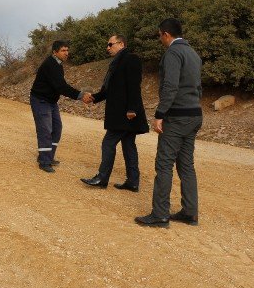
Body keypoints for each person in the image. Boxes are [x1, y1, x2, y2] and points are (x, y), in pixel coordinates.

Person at [135, 18, 203, 227]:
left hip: (177, 116)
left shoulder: (173, 53)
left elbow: (170, 86)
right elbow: (198, 88)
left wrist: (160, 113)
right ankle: (190, 212)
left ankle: (160, 214)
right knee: (186, 165)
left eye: (159, 35)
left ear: (165, 34)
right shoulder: (193, 53)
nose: (159, 39)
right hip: (194, 114)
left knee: (164, 164)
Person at [80, 34, 149, 191]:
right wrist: (94, 97)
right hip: (122, 113)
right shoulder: (116, 62)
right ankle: (132, 181)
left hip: (125, 113)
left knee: (108, 142)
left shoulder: (131, 58)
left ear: (121, 44)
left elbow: (134, 85)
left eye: (110, 44)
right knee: (128, 145)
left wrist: (132, 108)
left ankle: (102, 178)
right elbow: (108, 90)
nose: (108, 48)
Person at [30, 40, 85, 173]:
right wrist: (80, 95)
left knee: (57, 128)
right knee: (45, 130)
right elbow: (60, 86)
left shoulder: (58, 64)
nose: (67, 53)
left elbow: (60, 85)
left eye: (67, 50)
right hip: (41, 101)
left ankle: (48, 156)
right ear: (55, 52)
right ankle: (44, 161)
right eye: (63, 51)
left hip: (51, 102)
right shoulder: (50, 64)